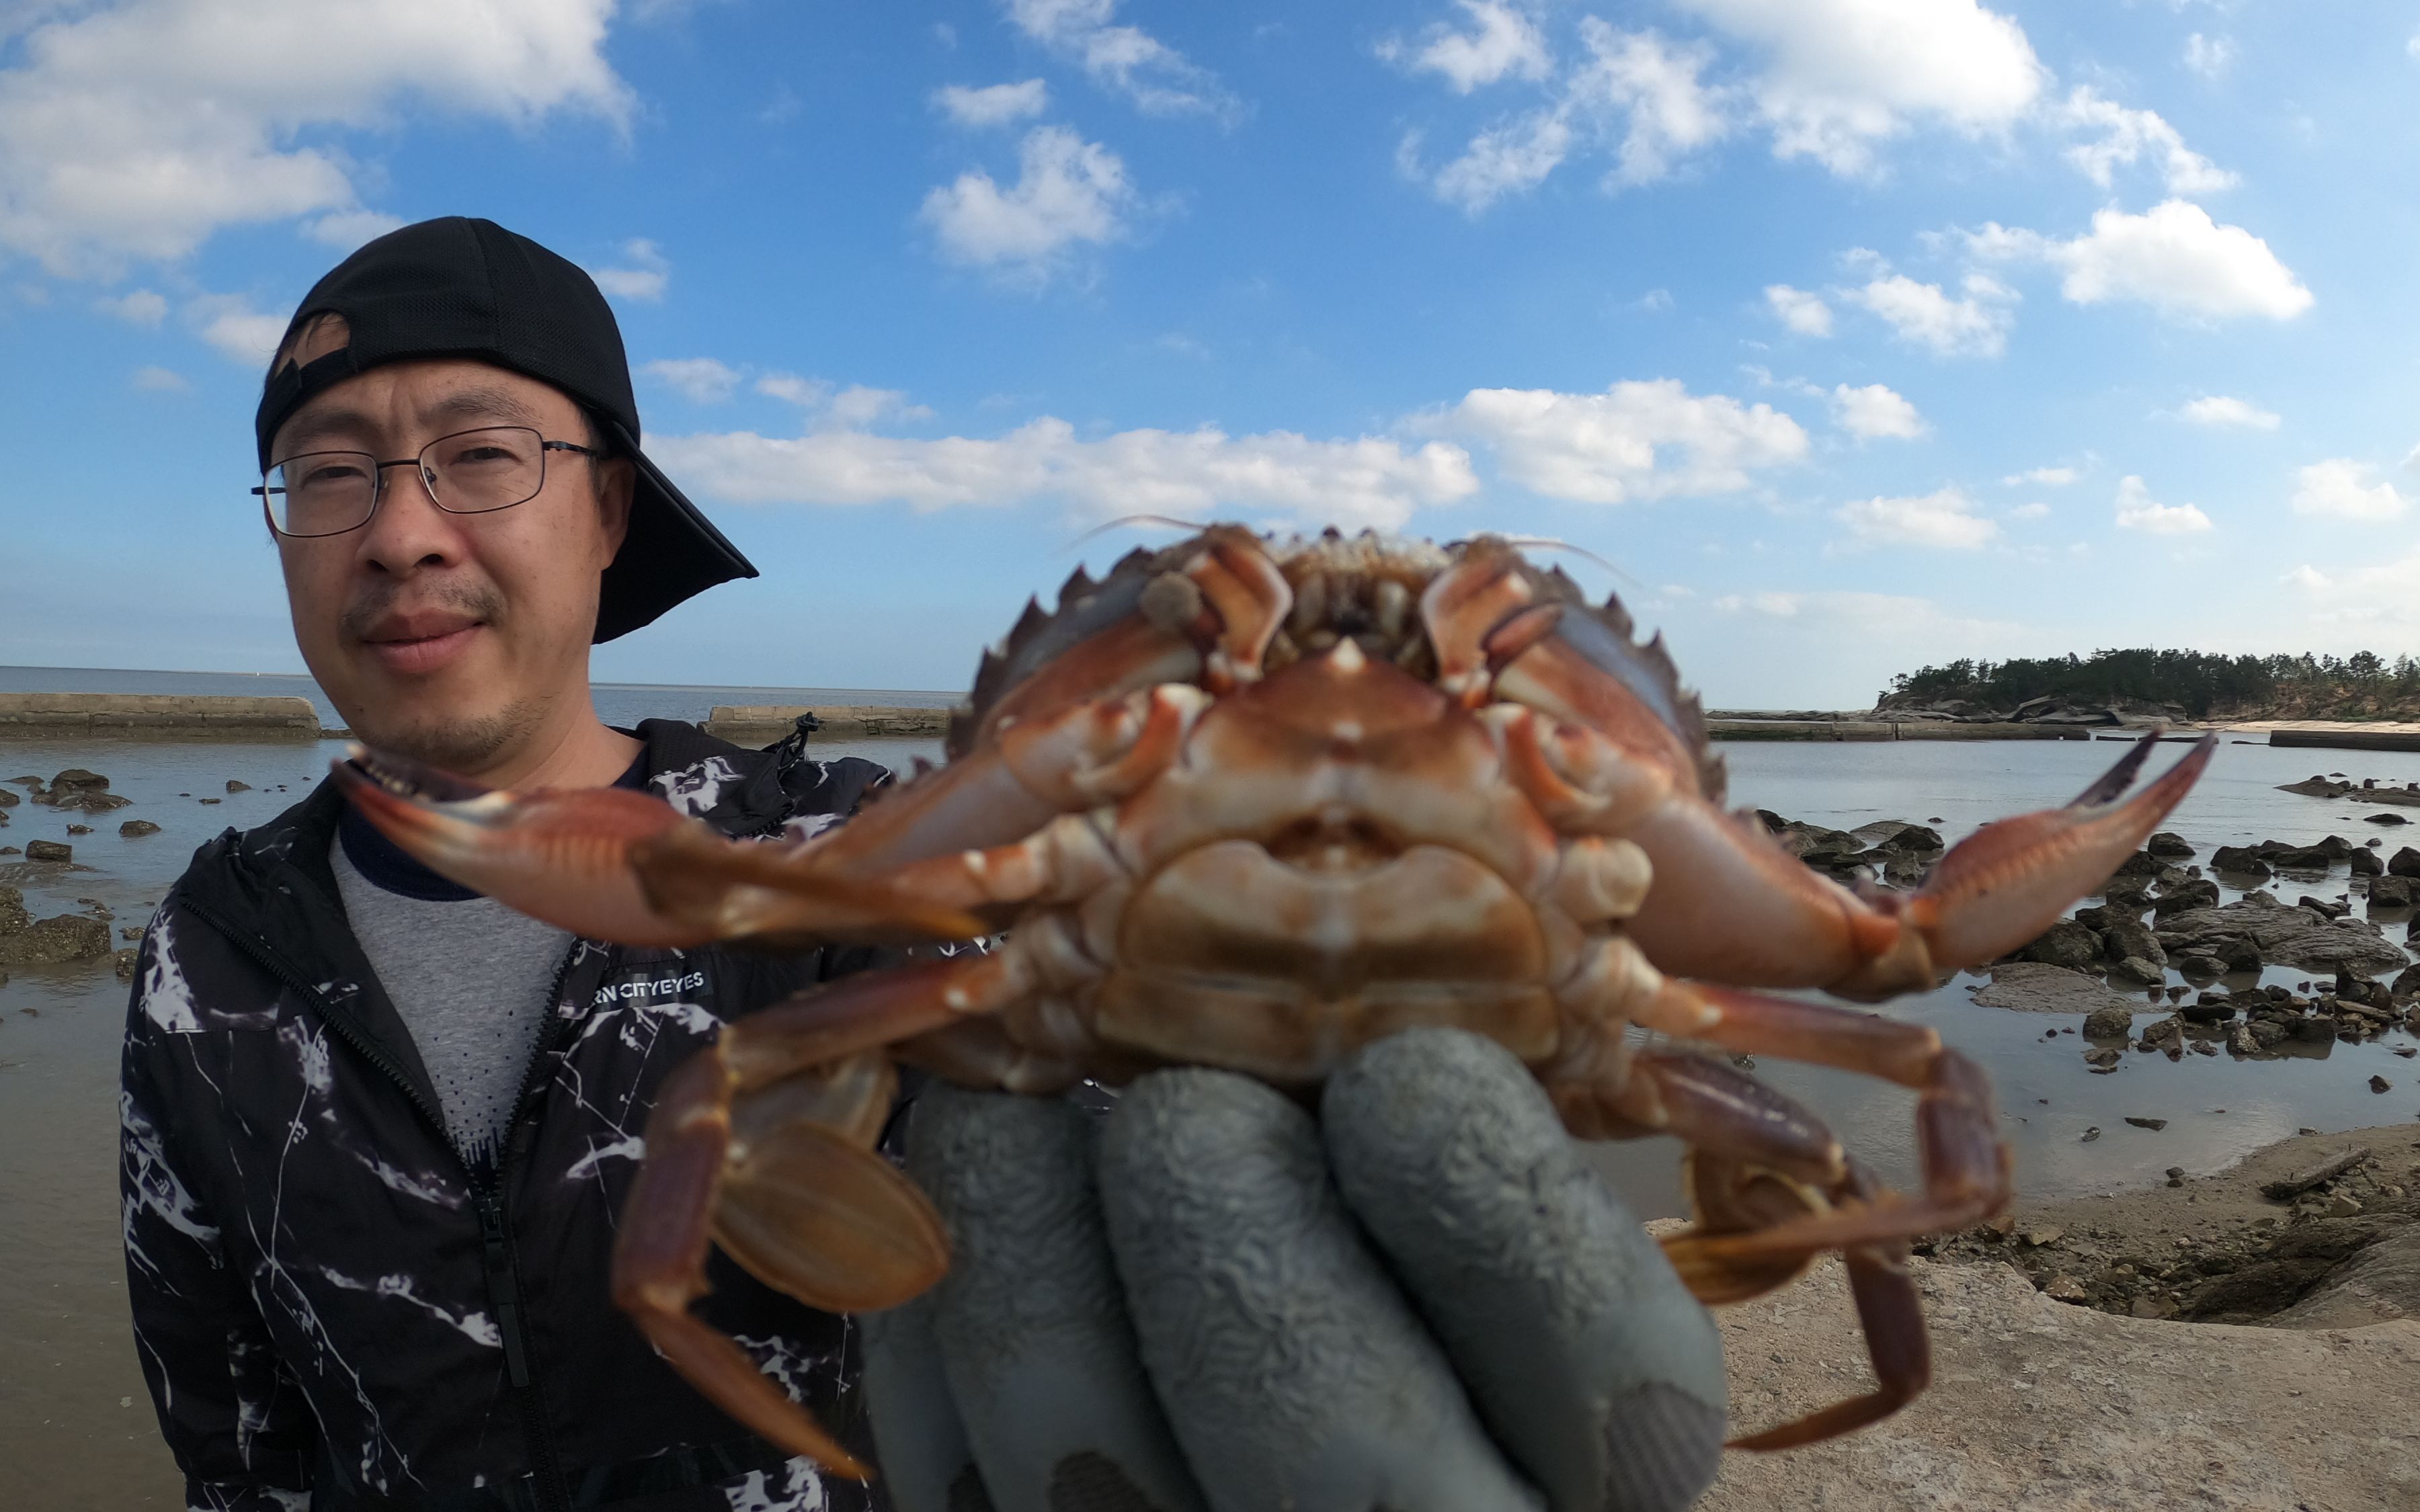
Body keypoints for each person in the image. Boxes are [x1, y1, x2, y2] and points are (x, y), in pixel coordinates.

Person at [122, 216, 1728, 1512]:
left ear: (610, 515)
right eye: (330, 473)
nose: (400, 528)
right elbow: (232, 1441)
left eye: (482, 454)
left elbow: (1146, 1114)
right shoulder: (211, 958)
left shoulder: (846, 865)